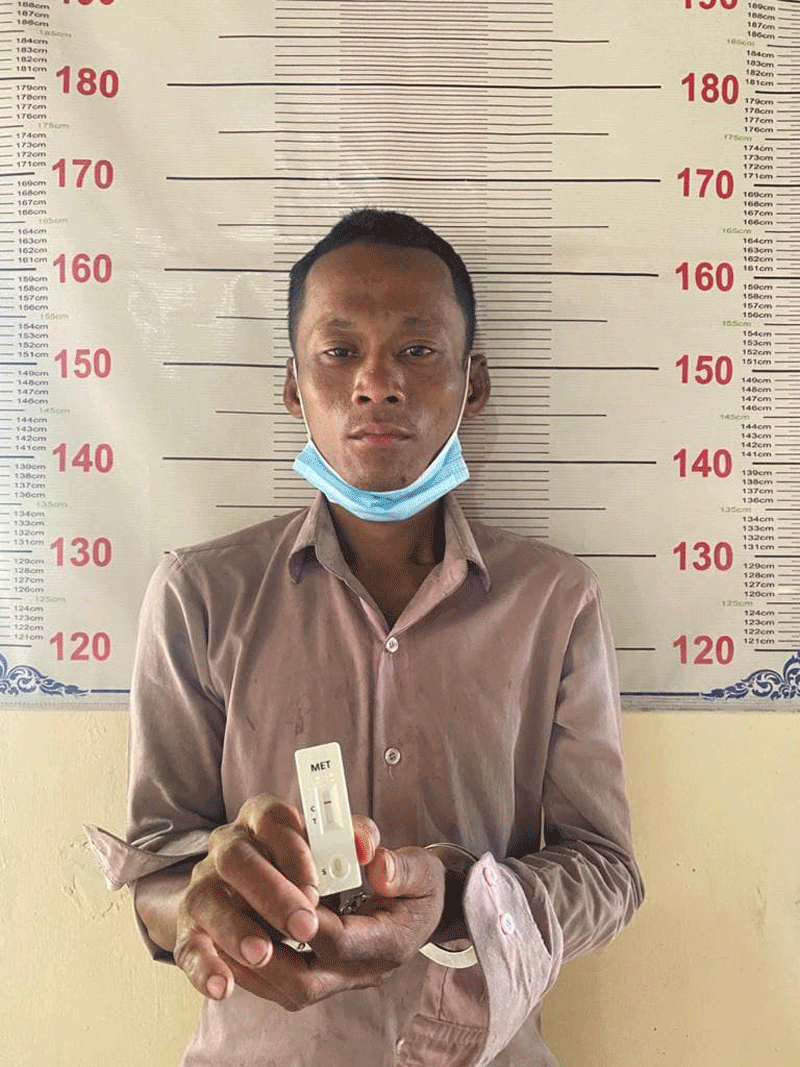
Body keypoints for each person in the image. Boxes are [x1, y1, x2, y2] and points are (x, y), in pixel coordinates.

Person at [85, 208, 645, 1066]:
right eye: (338, 351)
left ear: (473, 384)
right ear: (292, 384)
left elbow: (606, 871)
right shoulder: (199, 595)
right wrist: (201, 905)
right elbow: (157, 871)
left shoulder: (553, 600)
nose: (376, 383)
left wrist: (456, 898)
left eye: (417, 349)